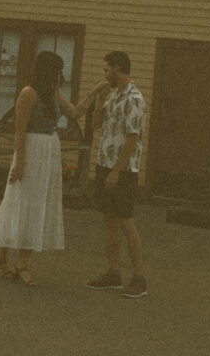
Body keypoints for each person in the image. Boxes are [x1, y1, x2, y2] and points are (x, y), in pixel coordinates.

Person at [0, 50, 107, 286]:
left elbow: (74, 112)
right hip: (31, 150)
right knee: (22, 201)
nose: (58, 75)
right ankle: (16, 261)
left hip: (48, 150)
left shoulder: (51, 93)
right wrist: (20, 163)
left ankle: (9, 257)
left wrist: (95, 92)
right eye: (55, 71)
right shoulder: (28, 94)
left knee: (37, 203)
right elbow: (20, 131)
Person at [86, 50, 147, 298]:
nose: (104, 74)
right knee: (109, 221)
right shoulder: (114, 95)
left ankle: (139, 278)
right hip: (105, 164)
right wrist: (100, 99)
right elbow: (96, 124)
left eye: (106, 70)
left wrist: (116, 171)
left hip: (122, 169)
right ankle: (113, 273)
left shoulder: (134, 98)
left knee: (125, 221)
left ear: (118, 68)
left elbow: (133, 139)